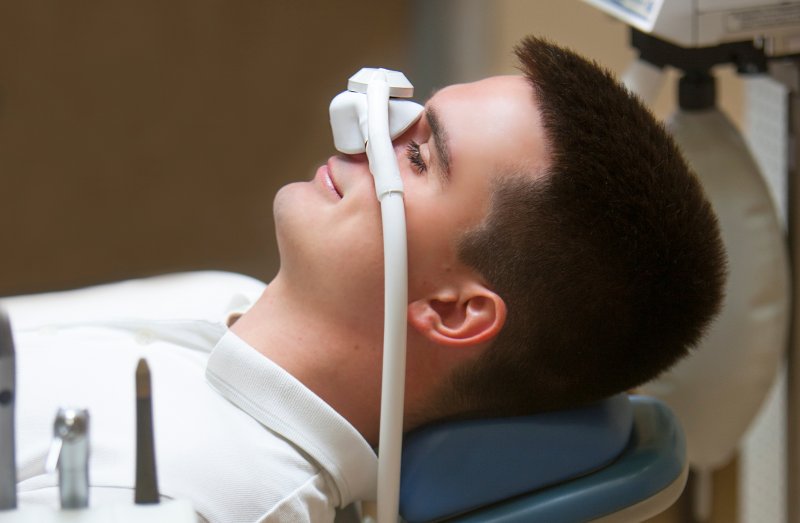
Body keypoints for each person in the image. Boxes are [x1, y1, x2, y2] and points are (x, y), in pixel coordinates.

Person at [9, 36, 725, 522]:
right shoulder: (225, 302)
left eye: (419, 157)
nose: (363, 130)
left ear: (453, 311)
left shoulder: (193, 497)